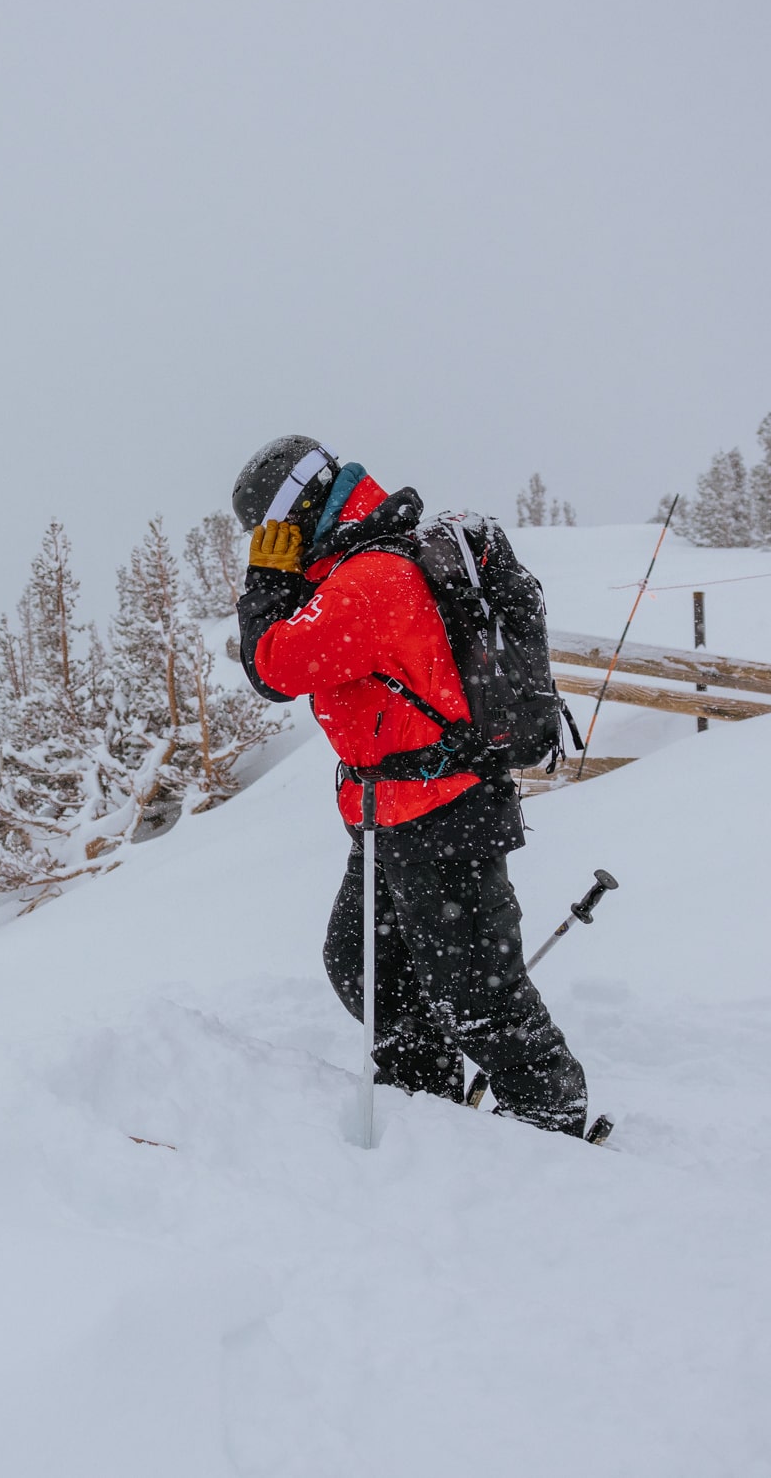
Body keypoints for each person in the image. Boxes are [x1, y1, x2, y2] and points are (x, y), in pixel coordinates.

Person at [231, 435, 591, 1135]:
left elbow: (275, 665)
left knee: (477, 995)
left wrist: (265, 587)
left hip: (443, 812)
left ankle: (553, 1121)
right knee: (363, 962)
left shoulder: (370, 581)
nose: (265, 547)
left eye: (269, 533)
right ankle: (424, 1099)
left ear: (296, 513)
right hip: (394, 812)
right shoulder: (353, 566)